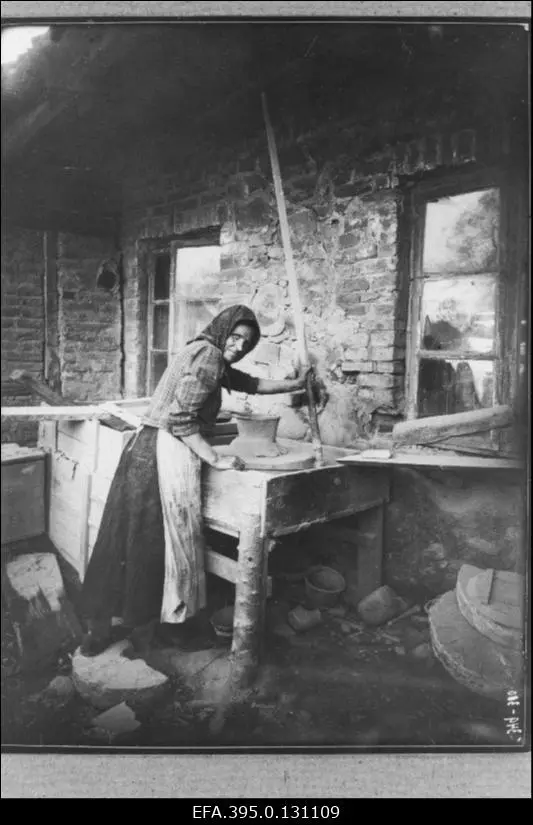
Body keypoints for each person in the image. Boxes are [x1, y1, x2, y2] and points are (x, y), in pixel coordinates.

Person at [80, 305, 310, 659]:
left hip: (143, 451)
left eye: (246, 343)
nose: (238, 346)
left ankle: (101, 631)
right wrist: (216, 458)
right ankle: (152, 635)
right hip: (161, 455)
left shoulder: (202, 349)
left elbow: (248, 383)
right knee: (154, 546)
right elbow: (180, 419)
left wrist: (294, 384)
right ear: (223, 330)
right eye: (235, 337)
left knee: (122, 540)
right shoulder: (209, 355)